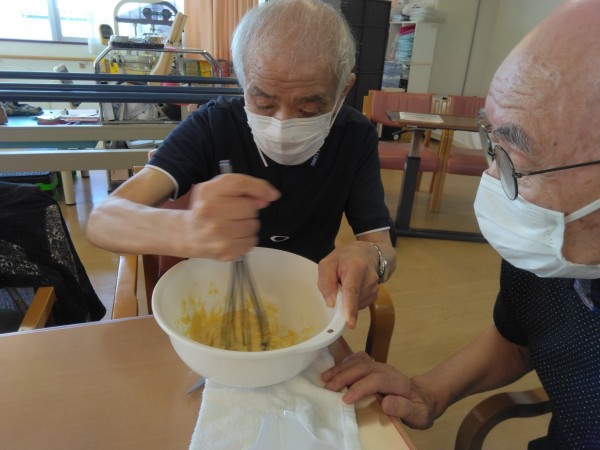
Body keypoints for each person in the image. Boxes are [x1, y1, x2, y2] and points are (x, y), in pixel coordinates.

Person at [322, 0, 600, 447]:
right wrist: (430, 392)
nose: (491, 180)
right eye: (493, 147)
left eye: (515, 163)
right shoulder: (552, 251)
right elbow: (519, 339)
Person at [85, 0, 396, 329]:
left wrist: (371, 258)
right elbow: (103, 221)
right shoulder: (212, 126)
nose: (283, 123)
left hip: (305, 299)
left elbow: (384, 249)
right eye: (263, 103)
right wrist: (185, 229)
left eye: (309, 108)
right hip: (212, 297)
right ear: (243, 81)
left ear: (344, 88)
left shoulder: (355, 136)